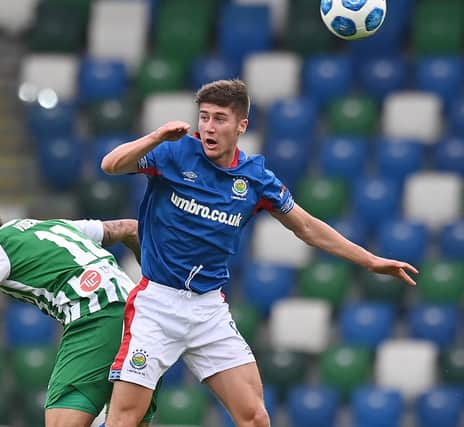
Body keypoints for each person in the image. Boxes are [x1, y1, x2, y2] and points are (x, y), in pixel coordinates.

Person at [100, 79, 419, 427]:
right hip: (157, 305)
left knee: (255, 418)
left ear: (242, 126)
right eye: (203, 117)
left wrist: (371, 260)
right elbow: (111, 165)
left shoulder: (254, 179)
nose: (208, 126)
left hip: (208, 310)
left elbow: (307, 227)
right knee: (124, 420)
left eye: (219, 118)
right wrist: (157, 136)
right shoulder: (174, 153)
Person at [0, 197, 156, 427]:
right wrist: (151, 280)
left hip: (96, 316)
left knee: (62, 421)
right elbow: (129, 228)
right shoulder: (52, 227)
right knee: (127, 421)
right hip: (142, 317)